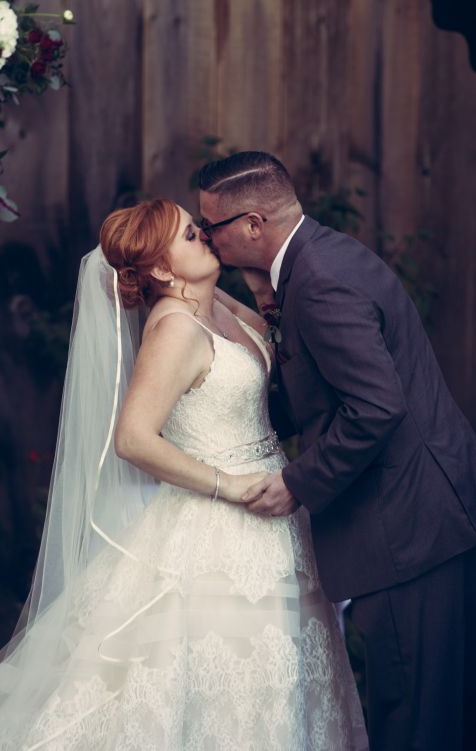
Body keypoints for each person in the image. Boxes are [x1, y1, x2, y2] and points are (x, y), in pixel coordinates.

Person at [0, 198, 367, 749]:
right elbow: (133, 438)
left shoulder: (215, 306)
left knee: (281, 680)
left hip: (274, 520)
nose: (205, 235)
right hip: (218, 531)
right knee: (227, 679)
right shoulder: (175, 330)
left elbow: (272, 341)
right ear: (161, 270)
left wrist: (258, 285)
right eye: (190, 234)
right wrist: (224, 482)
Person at [198, 151, 476, 751]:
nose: (207, 239)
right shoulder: (316, 259)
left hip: (409, 528)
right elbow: (326, 389)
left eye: (212, 227)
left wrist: (298, 481)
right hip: (426, 513)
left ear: (252, 225)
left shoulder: (319, 280)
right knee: (436, 708)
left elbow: (376, 407)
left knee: (415, 718)